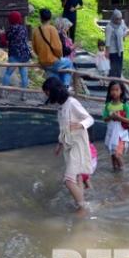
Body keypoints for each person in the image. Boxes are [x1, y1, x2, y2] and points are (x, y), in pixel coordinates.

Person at [43, 77, 95, 210]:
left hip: (78, 145)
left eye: (47, 92)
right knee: (77, 176)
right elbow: (63, 129)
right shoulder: (61, 108)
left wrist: (80, 125)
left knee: (68, 179)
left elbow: (90, 119)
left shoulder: (72, 103)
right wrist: (59, 144)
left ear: (54, 90)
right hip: (68, 146)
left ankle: (83, 206)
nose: (47, 96)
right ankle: (81, 203)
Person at [32, 9, 73, 88]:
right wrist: (59, 56)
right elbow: (57, 47)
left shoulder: (35, 31)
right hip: (53, 61)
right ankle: (66, 85)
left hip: (42, 62)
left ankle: (59, 90)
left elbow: (35, 48)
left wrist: (41, 55)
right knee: (68, 62)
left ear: (40, 18)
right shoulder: (52, 29)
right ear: (50, 18)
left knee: (55, 81)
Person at [0, 11, 30, 96]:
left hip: (15, 54)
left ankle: (3, 92)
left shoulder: (10, 29)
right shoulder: (24, 28)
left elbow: (4, 43)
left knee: (8, 73)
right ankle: (24, 94)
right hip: (25, 54)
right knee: (24, 75)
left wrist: (1, 34)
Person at [103, 80, 129, 171]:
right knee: (112, 156)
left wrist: (119, 118)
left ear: (121, 91)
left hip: (121, 135)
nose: (114, 92)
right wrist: (111, 117)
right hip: (111, 133)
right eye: (112, 90)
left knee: (117, 154)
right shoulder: (108, 105)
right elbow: (104, 119)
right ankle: (115, 175)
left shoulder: (124, 105)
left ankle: (123, 172)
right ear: (109, 91)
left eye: (117, 90)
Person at [104, 9, 128, 78]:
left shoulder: (122, 23)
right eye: (117, 19)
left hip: (120, 50)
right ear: (113, 18)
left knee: (119, 69)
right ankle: (112, 84)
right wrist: (107, 53)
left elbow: (126, 29)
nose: (119, 21)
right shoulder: (109, 27)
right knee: (112, 70)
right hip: (112, 52)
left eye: (120, 19)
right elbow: (107, 42)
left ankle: (118, 83)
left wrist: (123, 35)